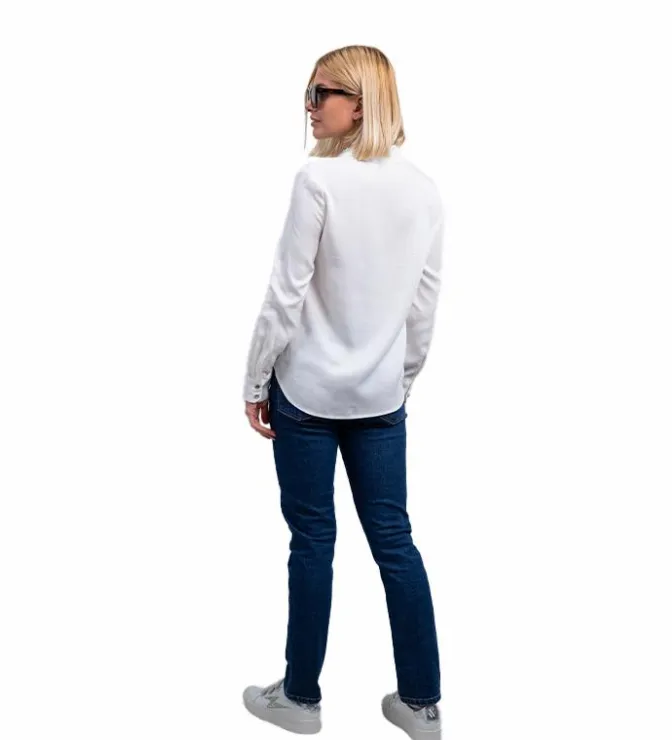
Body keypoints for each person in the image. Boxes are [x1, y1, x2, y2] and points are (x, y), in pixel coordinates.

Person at [241, 45, 445, 740]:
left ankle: (300, 699)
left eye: (321, 92)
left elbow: (285, 294)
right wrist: (397, 379)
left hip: (306, 395)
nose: (309, 104)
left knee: (312, 541)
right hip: (380, 400)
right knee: (396, 542)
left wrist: (255, 379)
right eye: (309, 91)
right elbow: (424, 307)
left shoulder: (317, 181)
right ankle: (421, 704)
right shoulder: (423, 190)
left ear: (360, 104)